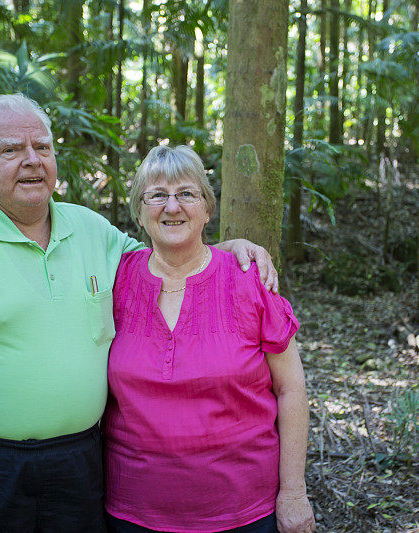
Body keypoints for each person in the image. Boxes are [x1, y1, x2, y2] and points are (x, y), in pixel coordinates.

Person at [0, 94, 277, 533]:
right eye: (10, 150)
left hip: (81, 465)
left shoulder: (91, 230)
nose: (32, 161)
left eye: (42, 147)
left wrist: (227, 251)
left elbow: (170, 259)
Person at [103, 145, 316, 533]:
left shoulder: (250, 280)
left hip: (244, 511)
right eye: (157, 195)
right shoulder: (114, 281)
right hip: (132, 510)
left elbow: (292, 390)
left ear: (207, 208)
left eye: (187, 193)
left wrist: (294, 494)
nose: (172, 207)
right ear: (138, 211)